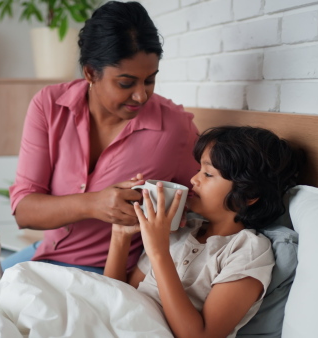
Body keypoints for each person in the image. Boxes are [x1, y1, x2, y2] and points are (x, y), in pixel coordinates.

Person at [3, 1, 200, 273]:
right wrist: (95, 204)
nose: (141, 95)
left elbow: (206, 203)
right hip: (43, 254)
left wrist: (178, 214)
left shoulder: (175, 128)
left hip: (105, 272)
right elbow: (24, 211)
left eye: (150, 80)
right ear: (90, 73)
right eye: (126, 83)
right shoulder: (49, 105)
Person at [104, 126, 302, 337]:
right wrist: (120, 236)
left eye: (207, 173)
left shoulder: (248, 251)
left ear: (249, 194)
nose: (193, 180)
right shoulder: (180, 231)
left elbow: (200, 335)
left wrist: (159, 251)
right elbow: (116, 295)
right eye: (199, 169)